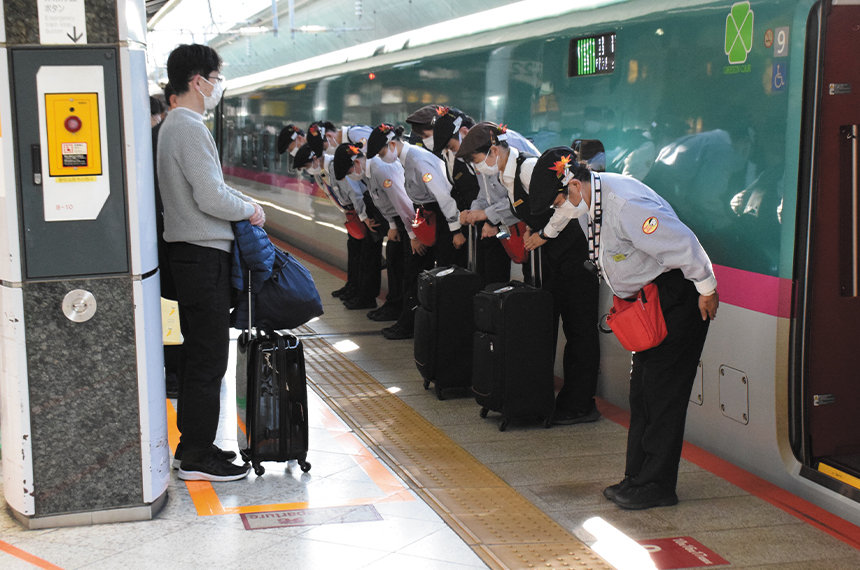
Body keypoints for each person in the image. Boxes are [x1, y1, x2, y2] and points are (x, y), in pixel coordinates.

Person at [530, 147, 719, 510]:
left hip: (675, 299)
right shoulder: (587, 196)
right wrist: (547, 232)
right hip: (646, 302)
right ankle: (637, 477)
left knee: (663, 397)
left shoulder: (626, 205)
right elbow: (564, 213)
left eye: (559, 200)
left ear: (573, 184)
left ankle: (658, 485)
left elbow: (682, 243)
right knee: (643, 393)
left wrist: (707, 288)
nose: (561, 208)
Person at [158, 44, 266, 482]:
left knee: (200, 356)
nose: (218, 85)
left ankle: (196, 445)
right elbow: (210, 195)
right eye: (216, 77)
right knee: (207, 359)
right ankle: (197, 456)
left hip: (191, 256)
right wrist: (250, 209)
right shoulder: (187, 126)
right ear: (197, 80)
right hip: (201, 257)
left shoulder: (173, 125)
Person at [458, 124, 600, 426]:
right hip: (550, 258)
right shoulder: (503, 175)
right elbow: (520, 208)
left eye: (476, 159)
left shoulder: (529, 168)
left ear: (494, 151)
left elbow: (572, 206)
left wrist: (543, 235)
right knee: (544, 326)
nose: (477, 167)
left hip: (576, 256)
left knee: (579, 331)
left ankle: (581, 403)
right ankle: (538, 396)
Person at [366, 123, 464, 339]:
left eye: (382, 152)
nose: (382, 158)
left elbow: (443, 197)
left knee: (437, 272)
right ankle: (414, 324)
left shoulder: (418, 161)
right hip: (427, 217)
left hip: (440, 219)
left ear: (392, 144)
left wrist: (455, 229)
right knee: (417, 272)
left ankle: (431, 328)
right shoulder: (407, 159)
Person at [334, 142, 413, 321]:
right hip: (398, 221)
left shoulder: (380, 170)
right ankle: (395, 307)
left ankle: (400, 311)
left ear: (356, 163)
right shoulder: (369, 173)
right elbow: (384, 203)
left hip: (407, 220)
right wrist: (392, 226)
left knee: (401, 265)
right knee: (393, 260)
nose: (351, 177)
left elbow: (402, 202)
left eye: (348, 172)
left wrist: (412, 234)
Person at [152, 86, 181, 399]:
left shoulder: (154, 137)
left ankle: (173, 372)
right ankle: (176, 373)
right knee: (174, 312)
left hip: (159, 240)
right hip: (174, 241)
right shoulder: (176, 134)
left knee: (169, 311)